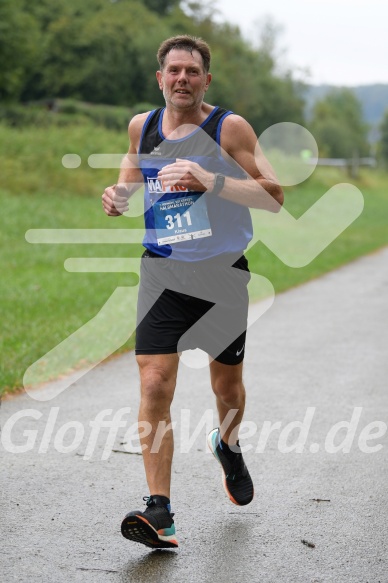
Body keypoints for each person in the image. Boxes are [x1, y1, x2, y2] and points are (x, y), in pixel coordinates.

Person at [102, 35, 283, 549]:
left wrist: (213, 180)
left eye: (192, 71)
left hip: (223, 275)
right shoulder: (144, 125)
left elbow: (274, 197)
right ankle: (159, 511)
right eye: (173, 70)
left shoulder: (228, 128)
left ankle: (227, 445)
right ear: (159, 78)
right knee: (155, 382)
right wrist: (119, 195)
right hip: (163, 273)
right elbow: (133, 173)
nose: (182, 78)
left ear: (207, 79)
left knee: (227, 389)